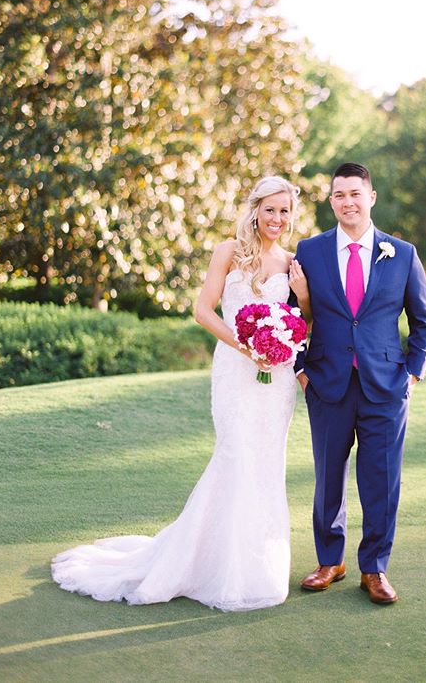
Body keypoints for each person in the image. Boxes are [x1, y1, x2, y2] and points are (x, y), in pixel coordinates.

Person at [52, 175, 309, 611]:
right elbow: (202, 310)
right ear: (254, 209)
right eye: (270, 209)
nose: (277, 219)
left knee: (266, 464)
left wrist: (300, 297)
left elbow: (306, 325)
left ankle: (255, 569)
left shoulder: (292, 262)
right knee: (235, 455)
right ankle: (202, 566)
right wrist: (245, 345)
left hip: (276, 380)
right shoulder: (229, 252)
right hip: (234, 370)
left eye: (285, 211)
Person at [293, 162, 426, 604]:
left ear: (371, 197)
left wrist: (412, 372)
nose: (347, 202)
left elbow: (423, 322)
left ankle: (374, 568)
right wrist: (300, 368)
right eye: (339, 195)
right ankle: (329, 560)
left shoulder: (403, 253)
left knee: (382, 479)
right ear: (331, 201)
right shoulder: (310, 251)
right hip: (327, 383)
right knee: (327, 478)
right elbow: (292, 316)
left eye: (355, 194)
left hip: (385, 388)